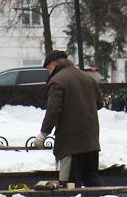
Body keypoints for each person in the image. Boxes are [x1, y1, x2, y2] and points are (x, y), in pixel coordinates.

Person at [34, 50, 104, 187]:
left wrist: (43, 134)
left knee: (70, 182)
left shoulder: (57, 80)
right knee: (91, 176)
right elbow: (99, 103)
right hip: (91, 139)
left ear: (53, 64)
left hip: (71, 142)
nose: (48, 71)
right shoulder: (87, 77)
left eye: (48, 68)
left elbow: (53, 110)